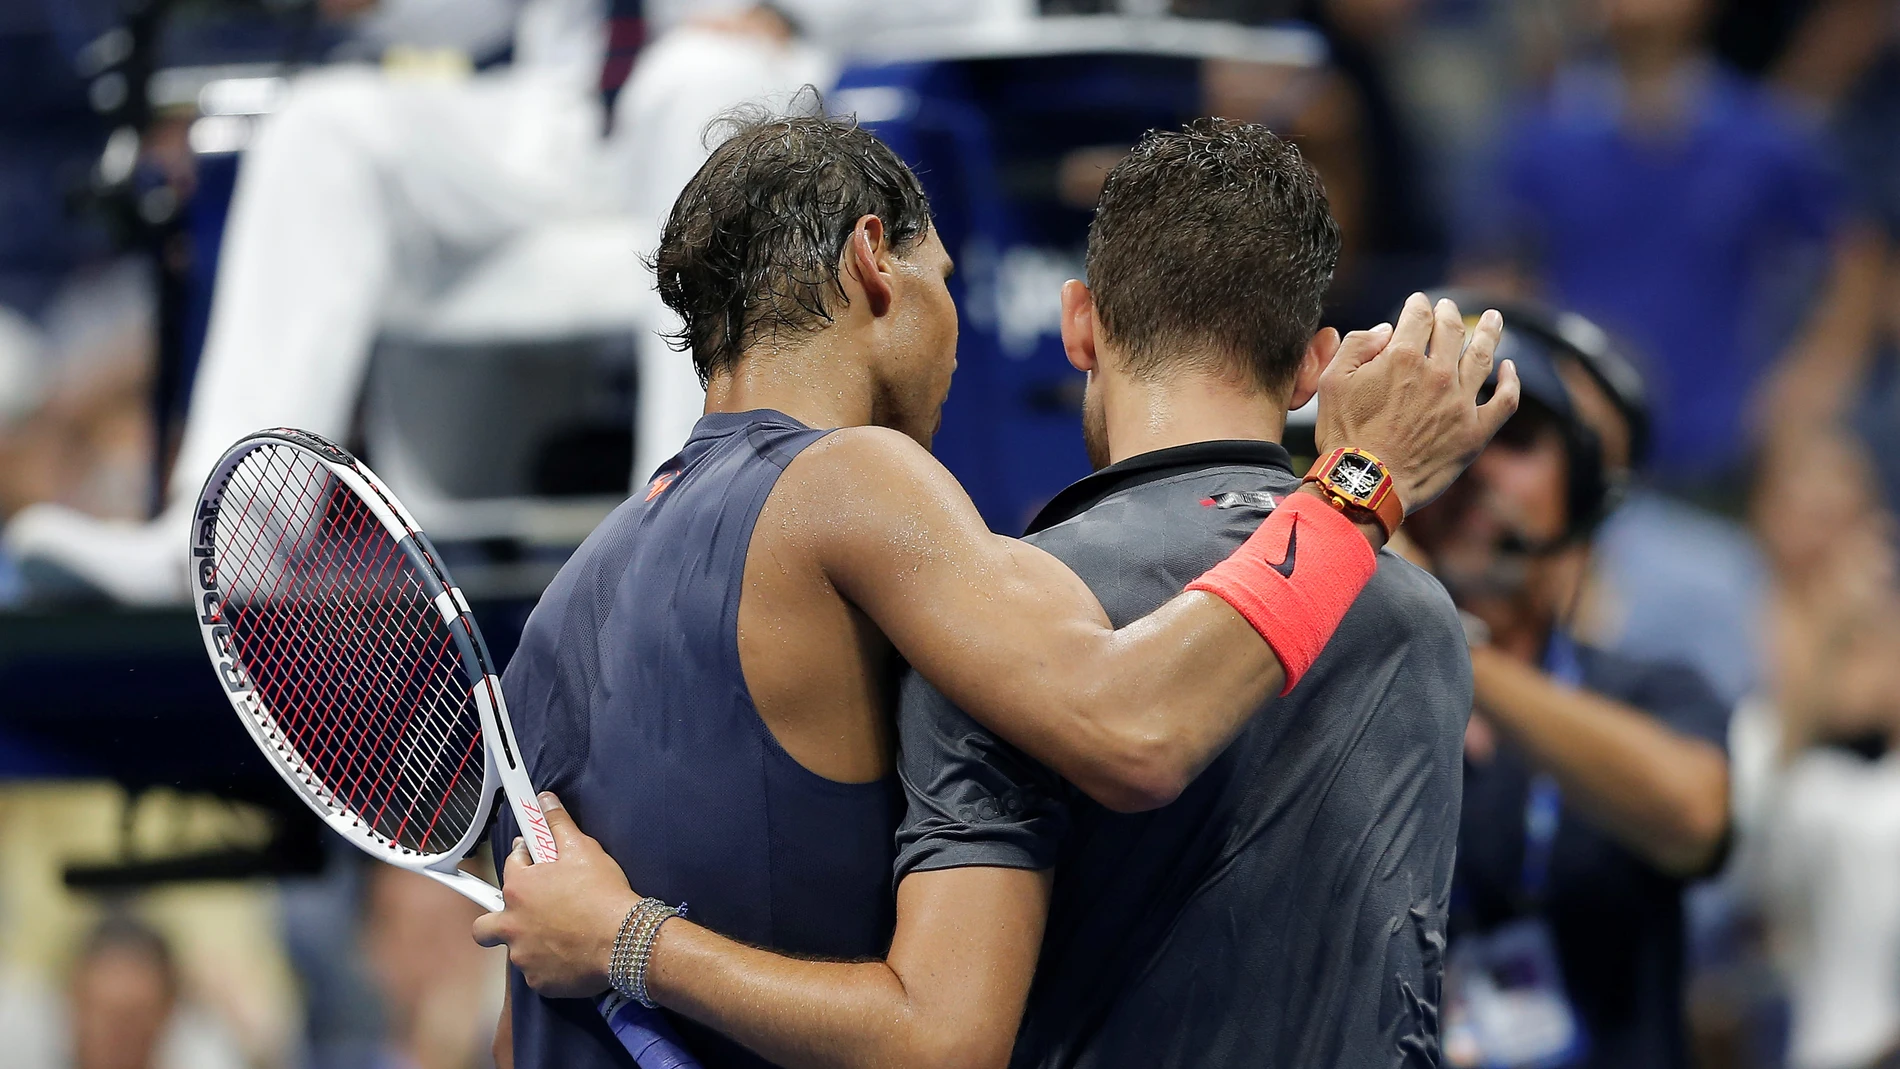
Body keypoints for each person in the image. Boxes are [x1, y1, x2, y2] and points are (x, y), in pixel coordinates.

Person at [470, 113, 1518, 1068]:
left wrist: (612, 940)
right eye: (946, 282)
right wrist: (1357, 483)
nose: (957, 345)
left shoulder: (573, 594)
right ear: (874, 261)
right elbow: (1135, 728)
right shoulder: (848, 478)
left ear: (1083, 326)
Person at [0, 0, 841, 604]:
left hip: (773, 93)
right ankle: (231, 540)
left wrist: (796, 15)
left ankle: (679, 545)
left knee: (697, 73)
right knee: (327, 123)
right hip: (568, 109)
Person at [1399, 304, 1733, 1069]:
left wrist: (1453, 645)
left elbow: (1695, 818)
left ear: (1581, 494)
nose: (1478, 466)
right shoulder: (1334, 693)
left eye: (1513, 439)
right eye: (1456, 435)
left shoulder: (1648, 688)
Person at [1459, 0, 1874, 496]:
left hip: (1715, 456)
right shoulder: (1541, 137)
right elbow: (1487, 276)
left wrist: (1813, 381)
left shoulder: (1762, 137)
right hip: (1573, 450)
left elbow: (1858, 255)